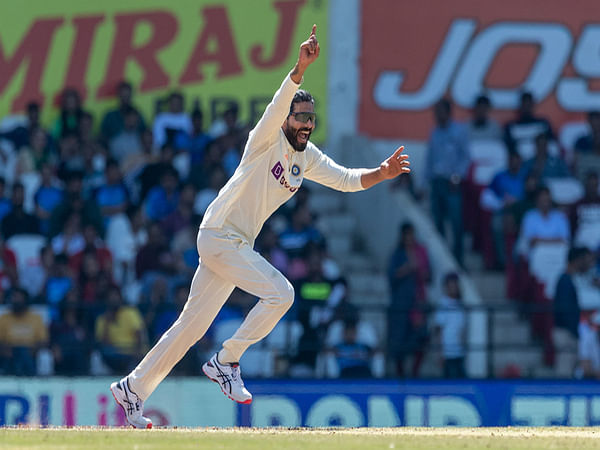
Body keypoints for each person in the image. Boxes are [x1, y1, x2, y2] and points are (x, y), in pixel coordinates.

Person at [109, 25, 411, 429]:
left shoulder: (308, 158)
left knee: (190, 328)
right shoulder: (265, 140)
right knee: (281, 293)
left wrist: (381, 172)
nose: (306, 124)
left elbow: (346, 180)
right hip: (219, 234)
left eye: (311, 119)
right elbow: (278, 103)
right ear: (286, 119)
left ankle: (133, 388)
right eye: (300, 117)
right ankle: (227, 359)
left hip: (231, 243)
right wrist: (300, 69)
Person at [425, 98, 470, 265]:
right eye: (436, 113)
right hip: (437, 182)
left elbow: (465, 158)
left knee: (456, 222)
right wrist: (425, 183)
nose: (438, 116)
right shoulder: (434, 133)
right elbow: (430, 159)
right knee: (438, 222)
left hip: (452, 184)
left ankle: (458, 260)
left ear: (448, 113)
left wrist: (457, 177)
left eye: (440, 112)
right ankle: (442, 259)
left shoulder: (459, 131)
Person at [0, 288, 48, 376]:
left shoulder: (36, 318)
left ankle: (30, 380)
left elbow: (43, 340)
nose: (15, 301)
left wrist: (35, 349)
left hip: (30, 351)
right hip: (9, 351)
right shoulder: (4, 317)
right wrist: (4, 349)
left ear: (25, 301)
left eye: (18, 298)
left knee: (24, 354)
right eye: (13, 298)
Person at [432, 273, 466, 379]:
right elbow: (438, 330)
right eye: (450, 285)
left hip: (459, 352)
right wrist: (440, 353)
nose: (453, 288)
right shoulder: (443, 304)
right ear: (446, 287)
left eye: (455, 285)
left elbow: (462, 328)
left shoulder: (461, 304)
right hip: (447, 353)